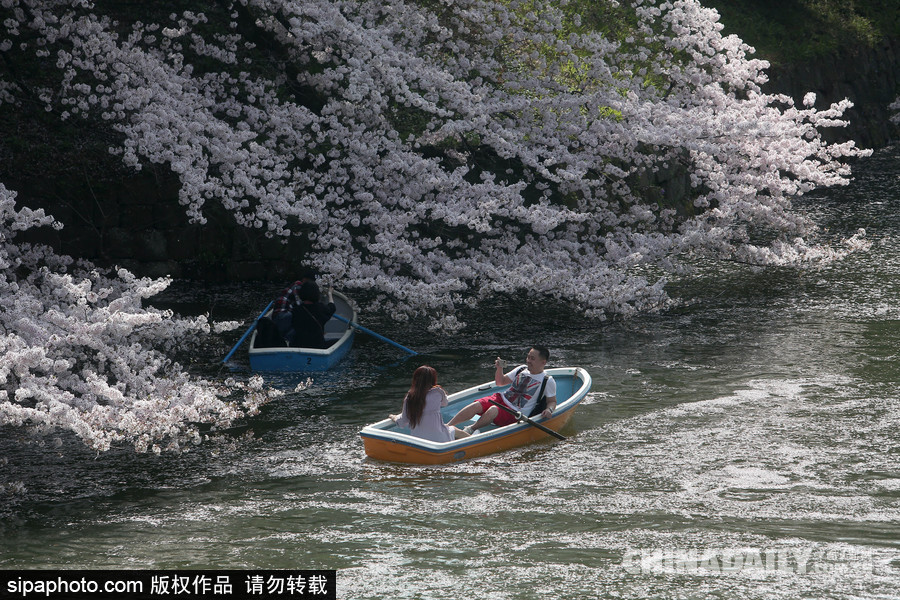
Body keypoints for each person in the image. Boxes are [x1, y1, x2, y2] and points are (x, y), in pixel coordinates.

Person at [447, 346, 557, 434]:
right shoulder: (521, 369)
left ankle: (470, 429)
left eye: (532, 359)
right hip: (501, 398)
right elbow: (500, 382)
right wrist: (499, 369)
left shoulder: (547, 380)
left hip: (514, 412)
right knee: (476, 405)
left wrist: (549, 410)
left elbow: (552, 401)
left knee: (494, 409)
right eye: (528, 357)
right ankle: (447, 426)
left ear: (543, 362)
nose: (528, 360)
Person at [391, 366, 470, 442]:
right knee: (453, 429)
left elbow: (402, 421)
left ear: (415, 379)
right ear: (433, 379)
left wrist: (394, 417)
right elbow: (444, 403)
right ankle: (473, 439)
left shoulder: (409, 397)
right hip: (439, 437)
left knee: (448, 429)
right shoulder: (438, 391)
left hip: (418, 440)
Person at [272, 269, 317, 343]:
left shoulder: (302, 287)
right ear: (304, 279)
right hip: (282, 317)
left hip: (285, 316)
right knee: (300, 321)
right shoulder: (298, 286)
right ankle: (286, 341)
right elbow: (301, 307)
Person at [290, 281, 336, 348]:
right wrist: (330, 294)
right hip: (317, 346)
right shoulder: (321, 308)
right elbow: (332, 307)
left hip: (298, 346)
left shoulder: (296, 310)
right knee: (336, 342)